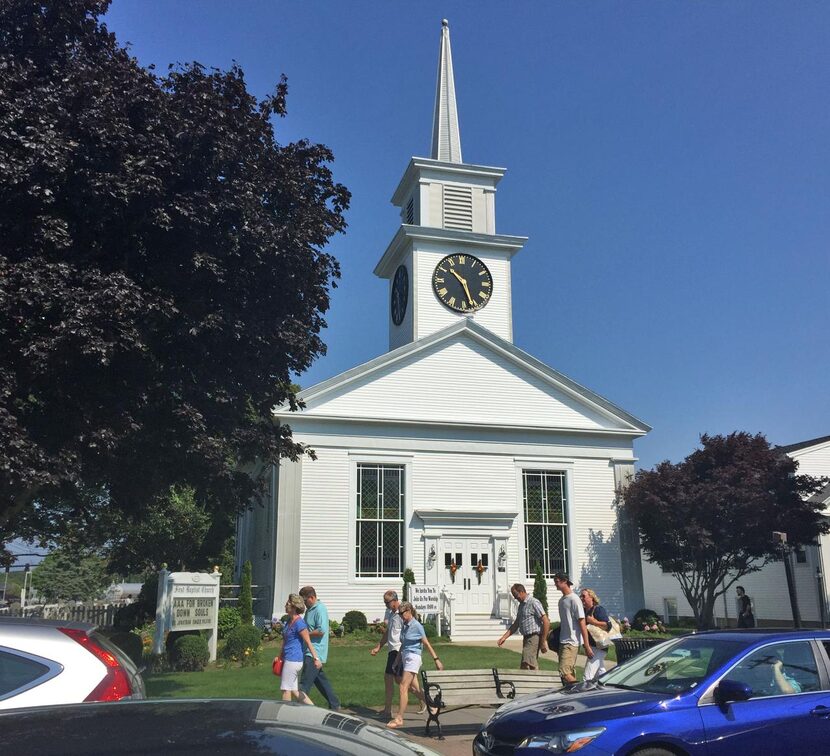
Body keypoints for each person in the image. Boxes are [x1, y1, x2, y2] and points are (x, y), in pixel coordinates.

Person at [387, 601, 443, 729]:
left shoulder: (417, 626)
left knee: (403, 686)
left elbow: (426, 643)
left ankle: (399, 718)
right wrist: (397, 661)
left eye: (402, 613)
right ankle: (432, 705)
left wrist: (436, 659)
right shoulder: (405, 625)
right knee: (414, 689)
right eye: (399, 614)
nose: (401, 616)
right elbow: (404, 644)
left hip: (413, 657)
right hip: (405, 657)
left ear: (409, 611)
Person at [370, 590, 424, 720]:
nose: (385, 605)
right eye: (384, 602)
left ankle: (427, 703)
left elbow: (412, 630)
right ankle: (426, 702)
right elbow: (388, 632)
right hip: (393, 650)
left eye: (387, 602)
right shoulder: (390, 613)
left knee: (398, 681)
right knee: (403, 681)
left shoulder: (402, 613)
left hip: (399, 650)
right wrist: (379, 646)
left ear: (394, 601)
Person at [298, 586, 340, 710]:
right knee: (320, 680)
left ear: (312, 597)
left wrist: (305, 634)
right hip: (308, 649)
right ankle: (335, 704)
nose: (304, 604)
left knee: (304, 685)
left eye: (305, 601)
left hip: (315, 651)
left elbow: (321, 630)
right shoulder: (309, 610)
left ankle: (300, 708)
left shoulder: (320, 609)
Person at [276, 593, 321, 702]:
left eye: (288, 603)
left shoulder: (299, 623)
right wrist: (279, 656)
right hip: (288, 658)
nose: (286, 605)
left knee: (286, 689)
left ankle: (285, 714)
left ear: (294, 607)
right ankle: (313, 710)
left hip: (293, 660)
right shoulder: (288, 621)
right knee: (294, 691)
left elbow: (308, 642)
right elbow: (285, 641)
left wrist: (316, 659)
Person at [497, 583, 550, 669]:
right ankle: (533, 680)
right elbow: (516, 624)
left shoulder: (533, 602)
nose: (515, 598)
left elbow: (546, 621)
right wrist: (504, 638)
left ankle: (536, 680)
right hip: (526, 638)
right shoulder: (521, 606)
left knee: (527, 662)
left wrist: (543, 641)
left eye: (516, 595)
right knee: (527, 665)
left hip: (533, 637)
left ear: (521, 591)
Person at [554, 573, 592, 685]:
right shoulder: (561, 601)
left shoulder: (574, 599)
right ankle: (571, 695)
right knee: (567, 673)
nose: (555, 584)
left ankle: (581, 691)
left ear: (564, 581)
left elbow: (582, 622)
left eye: (557, 581)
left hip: (571, 642)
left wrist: (587, 645)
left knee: (564, 671)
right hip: (563, 641)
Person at [580, 587, 611, 681]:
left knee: (587, 676)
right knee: (601, 674)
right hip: (593, 646)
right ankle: (606, 691)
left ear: (591, 597)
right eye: (581, 596)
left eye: (584, 596)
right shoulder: (584, 611)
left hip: (599, 646)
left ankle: (586, 693)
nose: (581, 598)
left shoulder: (598, 609)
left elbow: (608, 625)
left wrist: (593, 622)